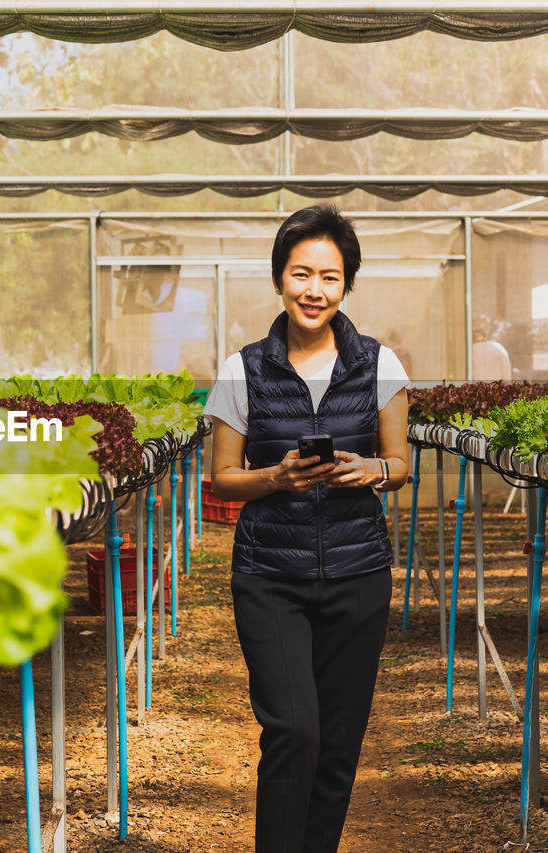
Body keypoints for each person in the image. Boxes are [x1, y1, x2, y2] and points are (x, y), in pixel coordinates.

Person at [203, 205, 410, 853]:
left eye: (329, 276)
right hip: (271, 578)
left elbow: (401, 463)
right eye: (301, 274)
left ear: (346, 285)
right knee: (294, 729)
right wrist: (277, 478)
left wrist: (370, 468)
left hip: (358, 576)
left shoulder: (380, 365)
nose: (313, 289)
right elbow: (222, 476)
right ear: (278, 279)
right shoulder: (244, 369)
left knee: (339, 744)